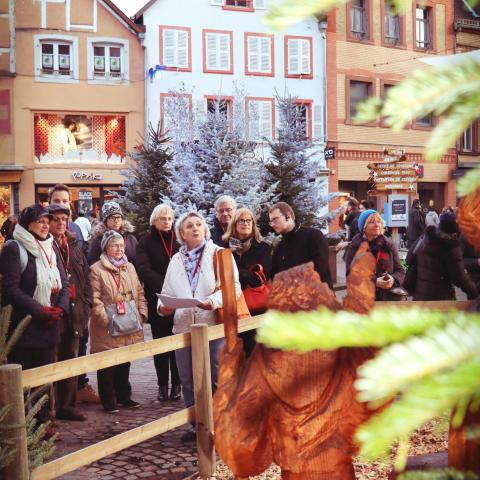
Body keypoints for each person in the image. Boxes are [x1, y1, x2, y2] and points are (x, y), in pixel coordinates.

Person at [158, 211, 241, 443]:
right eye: (189, 226)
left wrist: (211, 301)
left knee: (214, 378)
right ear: (181, 234)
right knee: (188, 380)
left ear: (205, 229)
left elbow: (233, 288)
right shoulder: (175, 260)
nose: (195, 228)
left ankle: (219, 426)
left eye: (198, 224)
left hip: (212, 325)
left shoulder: (219, 254)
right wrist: (163, 307)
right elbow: (166, 292)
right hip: (183, 327)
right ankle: (196, 426)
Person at [0, 204, 69, 435]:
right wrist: (39, 310)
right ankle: (21, 430)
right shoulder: (14, 248)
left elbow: (64, 283)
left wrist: (60, 309)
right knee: (22, 384)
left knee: (45, 380)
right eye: (40, 221)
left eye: (47, 222)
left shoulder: (51, 246)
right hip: (25, 327)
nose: (45, 226)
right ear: (27, 224)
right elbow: (10, 288)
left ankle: (43, 425)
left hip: (49, 326)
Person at [49, 184, 98, 403]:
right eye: (56, 201)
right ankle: (51, 407)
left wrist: (87, 304)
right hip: (56, 310)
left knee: (74, 353)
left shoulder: (74, 237)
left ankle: (70, 401)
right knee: (54, 359)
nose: (61, 206)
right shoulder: (44, 242)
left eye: (64, 202)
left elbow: (84, 273)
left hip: (77, 309)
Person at [89, 230, 148, 413]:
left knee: (124, 361)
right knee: (107, 364)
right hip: (107, 325)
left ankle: (124, 396)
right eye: (114, 245)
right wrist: (107, 320)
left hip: (129, 321)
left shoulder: (129, 267)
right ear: (106, 248)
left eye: (122, 245)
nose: (119, 249)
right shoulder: (96, 269)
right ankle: (108, 400)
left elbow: (139, 292)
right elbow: (94, 299)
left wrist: (141, 314)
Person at [136, 204, 181, 402]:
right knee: (161, 344)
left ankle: (177, 384)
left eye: (170, 218)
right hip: (157, 298)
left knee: (177, 343)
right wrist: (166, 287)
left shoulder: (179, 240)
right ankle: (162, 384)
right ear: (154, 220)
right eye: (163, 218)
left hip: (179, 298)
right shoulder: (145, 242)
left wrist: (176, 288)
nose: (167, 222)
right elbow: (144, 269)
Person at [222, 207, 272, 356]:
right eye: (241, 220)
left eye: (249, 220)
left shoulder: (262, 248)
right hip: (232, 308)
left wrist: (239, 275)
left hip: (255, 309)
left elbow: (261, 278)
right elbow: (222, 277)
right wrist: (246, 275)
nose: (245, 223)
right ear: (234, 224)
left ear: (253, 224)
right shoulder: (225, 249)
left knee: (256, 353)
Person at [406, 212, 478, 301]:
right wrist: (475, 293)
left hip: (419, 297)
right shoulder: (450, 246)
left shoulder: (424, 238)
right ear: (455, 229)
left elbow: (408, 259)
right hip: (440, 299)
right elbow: (460, 278)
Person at [269, 202, 332, 288]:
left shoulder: (313, 236)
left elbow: (320, 268)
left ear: (288, 216)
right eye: (271, 221)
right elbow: (275, 277)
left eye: (275, 219)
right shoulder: (279, 248)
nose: (272, 224)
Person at [345, 209, 405, 301]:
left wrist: (393, 279)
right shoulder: (356, 245)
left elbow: (400, 271)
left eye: (379, 221)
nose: (377, 225)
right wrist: (375, 281)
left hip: (387, 299)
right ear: (363, 227)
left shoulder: (389, 245)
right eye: (372, 222)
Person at [88, 201, 138, 266]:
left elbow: (137, 260)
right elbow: (94, 263)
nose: (116, 220)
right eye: (112, 217)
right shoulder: (98, 241)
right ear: (105, 220)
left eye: (118, 217)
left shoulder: (131, 239)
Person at [49, 184, 85, 252]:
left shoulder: (76, 228)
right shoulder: (44, 229)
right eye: (56, 201)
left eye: (64, 201)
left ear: (69, 204)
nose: (61, 204)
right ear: (49, 203)